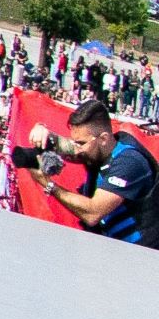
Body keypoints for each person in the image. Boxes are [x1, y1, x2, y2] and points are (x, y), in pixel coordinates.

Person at [31, 98, 156, 248]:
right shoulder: (99, 151)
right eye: (74, 142)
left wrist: (48, 183)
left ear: (103, 138)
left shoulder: (129, 162)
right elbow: (64, 146)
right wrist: (42, 131)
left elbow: (92, 213)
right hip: (118, 251)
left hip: (144, 256)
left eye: (81, 143)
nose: (76, 149)